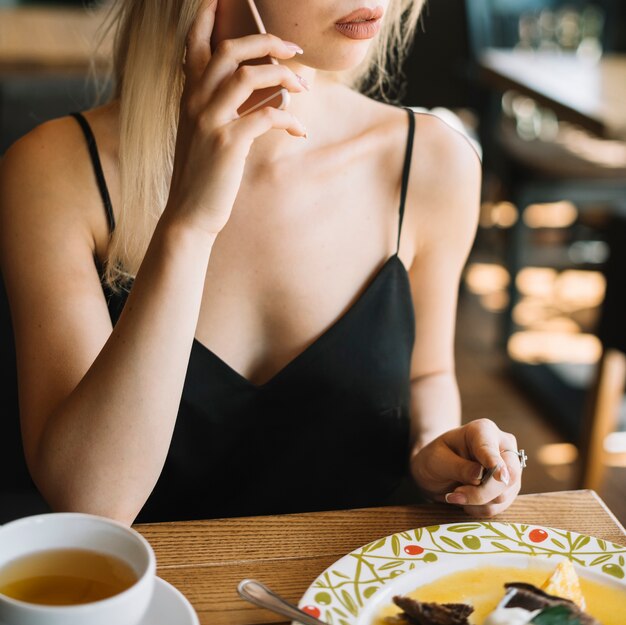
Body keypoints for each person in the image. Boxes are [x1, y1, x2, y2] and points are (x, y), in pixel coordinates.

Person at [0, 0, 524, 526]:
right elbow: (91, 502)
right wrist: (188, 224)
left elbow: (427, 373)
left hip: (363, 594)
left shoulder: (430, 160)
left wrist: (437, 453)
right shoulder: (52, 172)